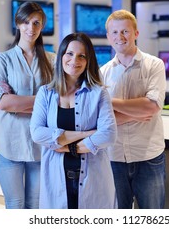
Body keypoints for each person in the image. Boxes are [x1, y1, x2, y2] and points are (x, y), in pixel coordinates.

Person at [30, 32, 117, 209]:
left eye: (81, 56)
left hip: (94, 178)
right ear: (61, 55)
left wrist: (68, 147)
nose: (74, 60)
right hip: (56, 177)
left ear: (88, 61)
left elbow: (108, 135)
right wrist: (85, 134)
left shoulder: (99, 93)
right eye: (69, 54)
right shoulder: (45, 93)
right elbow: (37, 133)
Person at [100, 9, 167, 209]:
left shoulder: (154, 65)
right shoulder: (102, 73)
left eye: (125, 31)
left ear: (136, 33)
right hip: (114, 157)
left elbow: (151, 106)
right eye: (114, 32)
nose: (119, 37)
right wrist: (137, 112)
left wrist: (110, 102)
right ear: (108, 37)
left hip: (148, 156)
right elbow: (101, 119)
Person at [0, 1, 55, 209]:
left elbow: (58, 101)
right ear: (18, 24)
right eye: (26, 22)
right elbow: (3, 102)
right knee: (15, 204)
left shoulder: (52, 60)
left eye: (36, 23)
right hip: (8, 143)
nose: (31, 28)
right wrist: (43, 101)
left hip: (40, 145)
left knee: (35, 205)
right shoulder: (2, 60)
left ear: (42, 26)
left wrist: (20, 104)